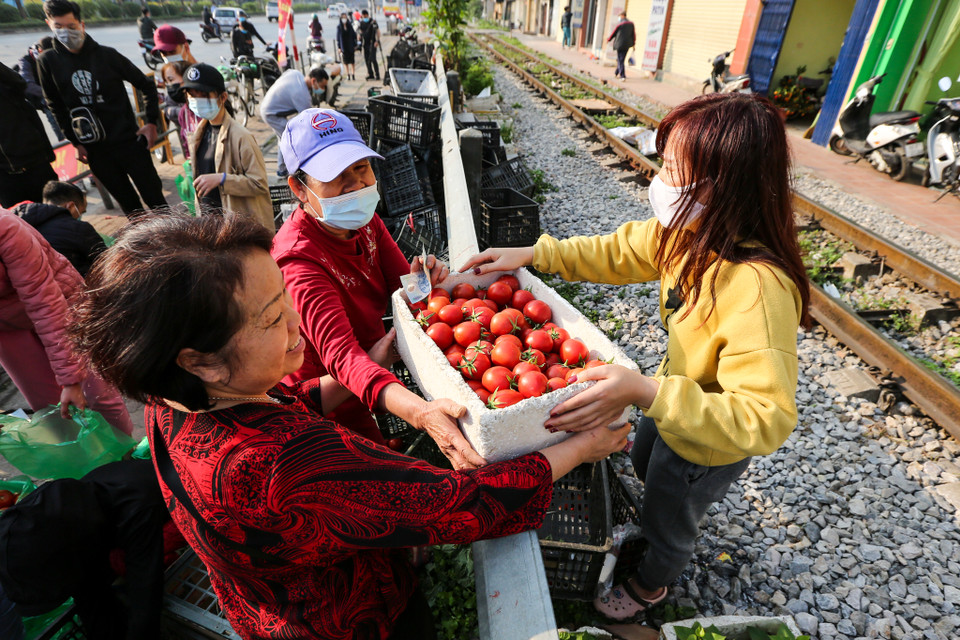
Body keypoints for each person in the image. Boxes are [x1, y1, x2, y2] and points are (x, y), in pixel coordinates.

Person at [68, 211, 631, 640]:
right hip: (344, 622)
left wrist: (372, 360)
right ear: (199, 359)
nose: (296, 322)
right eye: (271, 317)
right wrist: (581, 447)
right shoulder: (286, 465)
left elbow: (286, 399)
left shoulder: (172, 399)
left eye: (285, 298)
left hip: (265, 603)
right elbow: (458, 504)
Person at [462, 93, 811, 620]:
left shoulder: (758, 290)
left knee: (672, 516)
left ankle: (651, 585)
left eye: (673, 169)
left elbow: (766, 418)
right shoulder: (688, 235)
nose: (660, 180)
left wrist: (646, 391)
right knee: (648, 458)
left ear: (723, 188)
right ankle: (655, 516)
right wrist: (536, 254)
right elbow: (618, 250)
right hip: (673, 401)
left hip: (708, 443)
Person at [272, 109, 482, 467]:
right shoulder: (298, 262)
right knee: (372, 471)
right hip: (328, 399)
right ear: (299, 190)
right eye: (337, 177)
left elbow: (404, 291)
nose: (357, 186)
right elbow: (343, 360)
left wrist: (423, 281)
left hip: (370, 365)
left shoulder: (365, 222)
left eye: (361, 169)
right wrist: (421, 413)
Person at [0, 460, 173, 640]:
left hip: (172, 512)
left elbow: (146, 594)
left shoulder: (135, 511)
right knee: (90, 589)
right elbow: (87, 592)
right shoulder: (71, 515)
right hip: (110, 528)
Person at [0, 208, 133, 434]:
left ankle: (130, 455)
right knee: (52, 411)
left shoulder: (5, 227)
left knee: (98, 395)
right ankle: (85, 466)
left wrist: (71, 379)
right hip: (7, 328)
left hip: (57, 301)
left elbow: (45, 304)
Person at [38, 0, 168, 216]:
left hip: (130, 142)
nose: (65, 32)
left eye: (70, 26)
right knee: (132, 210)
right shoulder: (47, 61)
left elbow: (146, 85)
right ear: (49, 24)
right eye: (58, 27)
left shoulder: (107, 55)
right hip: (96, 151)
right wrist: (75, 141)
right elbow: (54, 105)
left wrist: (151, 122)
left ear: (82, 24)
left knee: (157, 201)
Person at [183, 63, 273, 232]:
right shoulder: (199, 133)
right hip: (209, 226)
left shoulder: (241, 136)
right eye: (192, 96)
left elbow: (259, 183)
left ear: (223, 97)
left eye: (203, 96)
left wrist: (222, 179)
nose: (197, 102)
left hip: (235, 229)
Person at [12, 180, 106, 278]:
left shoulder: (18, 224)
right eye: (81, 212)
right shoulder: (79, 228)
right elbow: (105, 261)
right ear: (71, 206)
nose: (80, 216)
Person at [0, 62, 56, 209]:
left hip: (36, 165)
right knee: (24, 227)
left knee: (56, 214)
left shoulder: (8, 90)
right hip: (5, 179)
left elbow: (19, 82)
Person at [259, 67, 333, 178]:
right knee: (288, 137)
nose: (322, 89)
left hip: (267, 106)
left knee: (283, 137)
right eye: (322, 86)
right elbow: (308, 122)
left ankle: (282, 169)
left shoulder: (296, 73)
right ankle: (283, 170)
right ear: (313, 81)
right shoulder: (302, 94)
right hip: (271, 113)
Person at [14, 37, 64, 141]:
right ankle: (63, 139)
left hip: (58, 92)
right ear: (40, 51)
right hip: (38, 96)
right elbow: (27, 84)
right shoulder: (26, 61)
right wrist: (49, 94)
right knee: (50, 108)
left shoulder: (58, 54)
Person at [160, 60, 201, 159]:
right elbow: (168, 111)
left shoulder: (200, 99)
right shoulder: (173, 99)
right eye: (167, 81)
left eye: (171, 79)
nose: (169, 85)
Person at [607, 11, 635, 81]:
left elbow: (614, 33)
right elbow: (633, 35)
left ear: (623, 15)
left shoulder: (620, 24)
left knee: (620, 59)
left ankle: (622, 76)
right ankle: (616, 73)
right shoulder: (631, 24)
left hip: (619, 44)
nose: (619, 18)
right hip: (627, 44)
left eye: (619, 16)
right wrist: (634, 44)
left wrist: (608, 39)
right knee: (621, 59)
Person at [358, 9, 381, 81]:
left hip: (373, 43)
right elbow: (360, 32)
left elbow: (378, 31)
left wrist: (377, 41)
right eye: (363, 16)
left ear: (367, 15)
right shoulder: (361, 23)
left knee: (373, 59)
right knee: (367, 59)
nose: (364, 17)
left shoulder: (373, 22)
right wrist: (359, 37)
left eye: (365, 16)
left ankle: (377, 74)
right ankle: (370, 74)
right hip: (366, 43)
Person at [336, 12, 358, 80]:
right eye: (342, 18)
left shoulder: (349, 26)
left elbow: (354, 35)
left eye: (345, 17)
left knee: (352, 61)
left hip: (350, 46)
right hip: (344, 46)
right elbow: (338, 38)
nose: (344, 19)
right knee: (346, 61)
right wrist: (339, 47)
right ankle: (348, 74)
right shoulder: (339, 27)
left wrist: (355, 45)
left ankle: (353, 74)